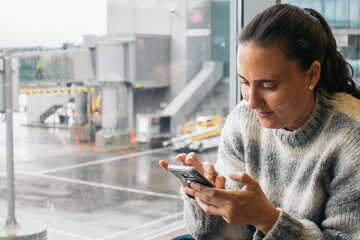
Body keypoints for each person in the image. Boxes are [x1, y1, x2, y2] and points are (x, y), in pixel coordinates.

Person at [160, 4, 360, 239]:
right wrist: (205, 198)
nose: (252, 102)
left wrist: (266, 219)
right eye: (244, 82)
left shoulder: (351, 136)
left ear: (312, 75)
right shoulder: (243, 120)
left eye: (268, 85)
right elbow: (217, 236)